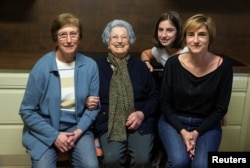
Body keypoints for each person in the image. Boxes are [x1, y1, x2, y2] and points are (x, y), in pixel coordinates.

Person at [19, 13, 100, 168]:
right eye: (63, 35)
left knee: (90, 166)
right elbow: (27, 111)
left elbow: (94, 108)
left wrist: (77, 132)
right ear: (55, 38)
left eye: (73, 34)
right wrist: (55, 136)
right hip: (46, 128)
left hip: (78, 127)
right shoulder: (41, 68)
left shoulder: (90, 66)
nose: (69, 40)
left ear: (79, 37)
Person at [158, 13, 233, 168]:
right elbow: (165, 104)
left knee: (202, 164)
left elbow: (221, 108)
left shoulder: (224, 67)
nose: (196, 40)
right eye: (191, 35)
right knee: (179, 161)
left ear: (210, 38)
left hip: (207, 124)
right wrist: (184, 132)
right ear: (185, 38)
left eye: (202, 34)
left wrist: (196, 133)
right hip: (174, 121)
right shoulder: (172, 64)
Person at [93, 19, 159, 168]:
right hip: (109, 123)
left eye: (124, 37)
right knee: (112, 159)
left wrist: (141, 114)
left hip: (140, 123)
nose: (119, 41)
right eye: (114, 37)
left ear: (130, 40)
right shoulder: (96, 68)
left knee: (143, 159)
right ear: (107, 41)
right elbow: (89, 97)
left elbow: (154, 97)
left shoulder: (141, 67)